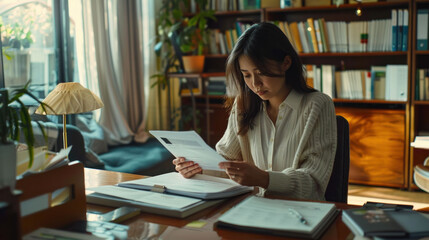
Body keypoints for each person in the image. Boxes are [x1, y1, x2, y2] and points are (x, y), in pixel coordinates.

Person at [172, 22, 337, 201]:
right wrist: (197, 167)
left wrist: (264, 179)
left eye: (261, 73)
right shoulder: (243, 106)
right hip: (253, 209)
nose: (255, 84)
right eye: (247, 75)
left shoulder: (317, 105)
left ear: (286, 63)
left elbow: (313, 183)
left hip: (302, 214)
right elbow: (224, 160)